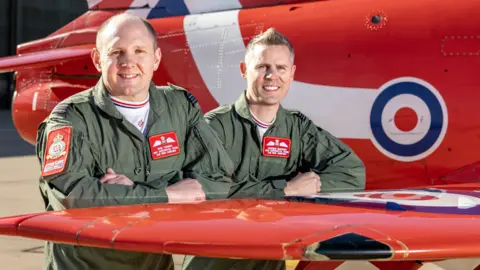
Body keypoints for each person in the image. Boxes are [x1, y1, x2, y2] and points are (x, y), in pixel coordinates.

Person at [35, 13, 234, 270]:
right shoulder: (70, 118)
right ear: (97, 59)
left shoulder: (180, 107)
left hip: (154, 261)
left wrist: (126, 193)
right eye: (116, 51)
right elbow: (75, 196)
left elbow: (218, 179)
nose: (128, 62)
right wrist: (168, 194)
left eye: (139, 51)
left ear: (156, 58)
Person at [182, 28, 366, 270]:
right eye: (262, 67)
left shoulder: (297, 129)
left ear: (292, 74)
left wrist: (309, 190)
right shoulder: (216, 126)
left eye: (281, 68)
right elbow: (203, 189)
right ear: (244, 70)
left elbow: (352, 172)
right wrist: (285, 189)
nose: (272, 76)